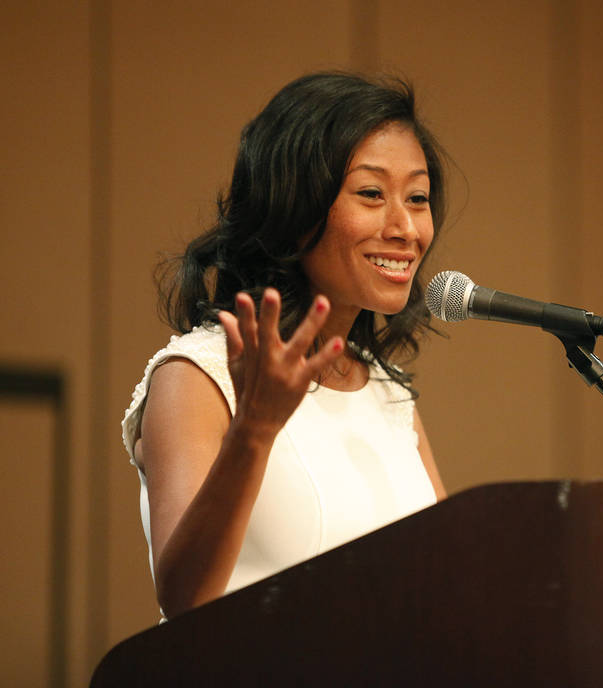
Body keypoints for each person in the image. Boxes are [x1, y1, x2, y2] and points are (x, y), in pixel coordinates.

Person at [121, 72, 448, 619]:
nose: (406, 227)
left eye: (418, 198)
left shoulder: (389, 396)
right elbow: (183, 600)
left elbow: (448, 581)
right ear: (293, 207)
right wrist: (255, 429)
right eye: (371, 194)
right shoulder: (198, 375)